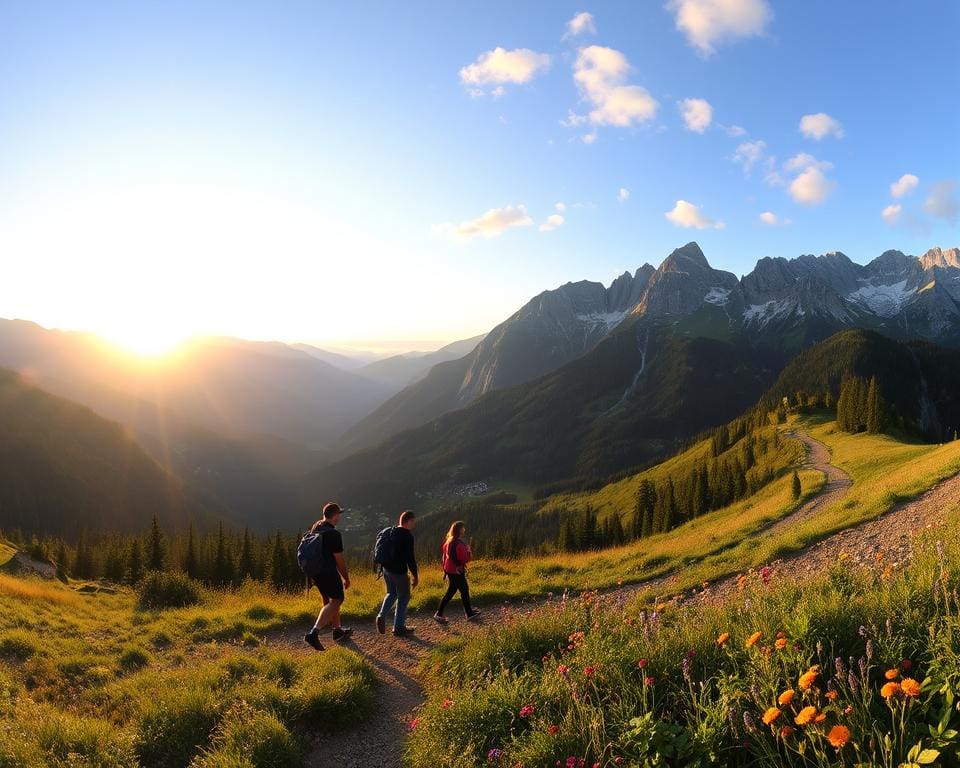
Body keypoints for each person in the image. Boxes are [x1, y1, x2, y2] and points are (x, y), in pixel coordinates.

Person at [303, 502, 352, 651]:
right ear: (335, 516)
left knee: (329, 601)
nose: (339, 518)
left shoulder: (317, 527)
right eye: (339, 514)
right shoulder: (334, 534)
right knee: (337, 600)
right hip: (328, 572)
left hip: (316, 572)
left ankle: (337, 631)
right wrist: (346, 578)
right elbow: (339, 560)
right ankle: (313, 633)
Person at [375, 510, 419, 637]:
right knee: (404, 596)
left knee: (391, 593)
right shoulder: (407, 536)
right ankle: (398, 627)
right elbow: (410, 558)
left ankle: (381, 615)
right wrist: (415, 576)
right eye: (413, 521)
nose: (414, 524)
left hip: (386, 569)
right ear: (408, 521)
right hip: (399, 572)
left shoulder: (390, 530)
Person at [434, 520, 481, 623]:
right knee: (463, 590)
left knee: (454, 591)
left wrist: (445, 568)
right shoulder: (459, 544)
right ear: (460, 530)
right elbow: (464, 559)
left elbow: (444, 557)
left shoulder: (448, 541)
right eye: (463, 528)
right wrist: (468, 551)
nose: (464, 529)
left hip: (450, 570)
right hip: (457, 571)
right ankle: (468, 613)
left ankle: (440, 613)